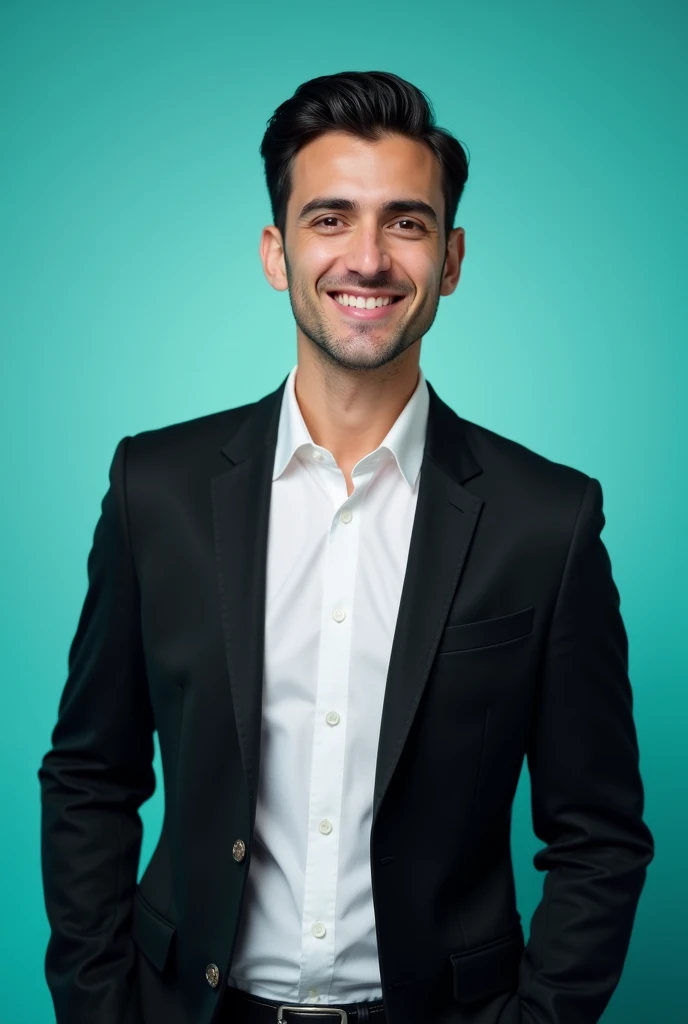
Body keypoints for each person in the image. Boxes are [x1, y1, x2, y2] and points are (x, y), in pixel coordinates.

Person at [39, 70, 654, 1024]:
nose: (367, 259)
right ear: (276, 253)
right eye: (330, 219)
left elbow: (599, 836)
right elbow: (90, 775)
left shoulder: (549, 519)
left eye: (405, 223)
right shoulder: (152, 489)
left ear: (450, 259)